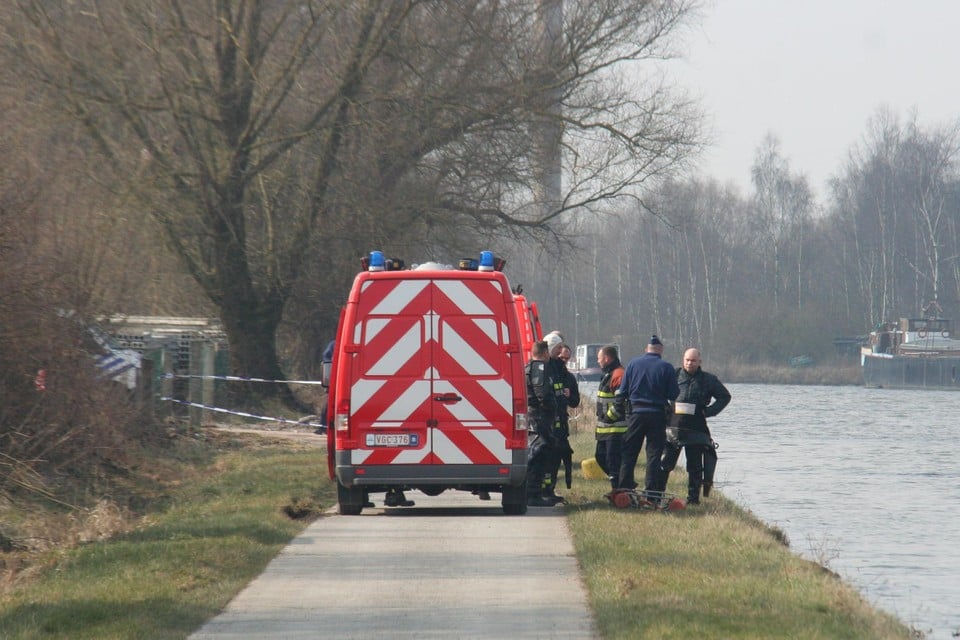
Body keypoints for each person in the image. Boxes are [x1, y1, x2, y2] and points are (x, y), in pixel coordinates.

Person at [610, 335, 679, 497]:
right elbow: (673, 393)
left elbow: (623, 390)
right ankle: (651, 492)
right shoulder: (667, 367)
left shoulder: (633, 364)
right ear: (660, 350)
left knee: (629, 452)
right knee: (654, 454)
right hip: (657, 415)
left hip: (636, 414)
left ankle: (624, 489)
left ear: (646, 349)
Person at [661, 348, 731, 504]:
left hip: (696, 428)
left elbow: (725, 397)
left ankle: (693, 499)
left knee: (695, 467)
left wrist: (709, 412)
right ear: (682, 360)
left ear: (699, 362)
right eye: (687, 360)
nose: (689, 363)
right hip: (673, 426)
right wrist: (666, 410)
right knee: (665, 463)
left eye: (693, 360)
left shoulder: (708, 379)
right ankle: (657, 494)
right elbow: (659, 392)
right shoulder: (673, 375)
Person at [525, 340, 560, 507]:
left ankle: (535, 491)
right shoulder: (539, 367)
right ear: (545, 353)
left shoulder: (528, 367)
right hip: (539, 417)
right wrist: (550, 407)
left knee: (538, 452)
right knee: (539, 454)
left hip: (533, 416)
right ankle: (533, 494)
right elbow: (542, 393)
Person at [547, 344, 580, 499]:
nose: (564, 361)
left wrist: (569, 395)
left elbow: (575, 402)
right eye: (562, 358)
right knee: (545, 457)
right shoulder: (548, 372)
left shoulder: (569, 377)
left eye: (567, 359)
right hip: (546, 423)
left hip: (561, 425)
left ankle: (550, 489)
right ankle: (541, 489)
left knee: (556, 459)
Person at [595, 344, 627, 490]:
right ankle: (623, 483)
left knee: (613, 462)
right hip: (605, 430)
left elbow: (621, 403)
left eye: (599, 358)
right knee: (600, 457)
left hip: (615, 430)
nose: (598, 361)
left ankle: (619, 490)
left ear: (607, 358)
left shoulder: (618, 374)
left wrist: (608, 417)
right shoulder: (608, 374)